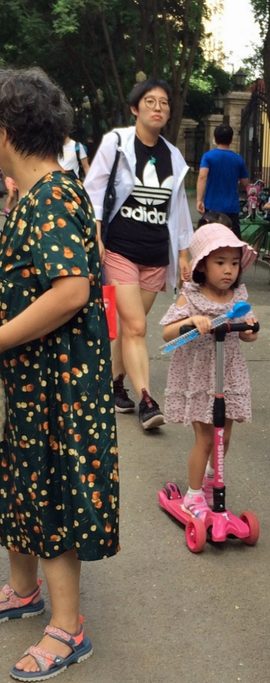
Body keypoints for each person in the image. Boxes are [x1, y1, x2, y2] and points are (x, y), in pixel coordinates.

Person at [0, 67, 119, 681]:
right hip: (37, 382)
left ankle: (68, 630)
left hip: (57, 388)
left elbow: (72, 290)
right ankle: (23, 591)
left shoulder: (47, 199)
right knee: (24, 481)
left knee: (51, 496)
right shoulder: (45, 193)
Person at [84, 78, 194, 431]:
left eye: (163, 103)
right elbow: (94, 190)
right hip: (119, 248)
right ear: (135, 109)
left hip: (154, 254)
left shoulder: (173, 156)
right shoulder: (117, 143)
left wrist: (184, 253)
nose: (158, 107)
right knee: (134, 326)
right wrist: (97, 235)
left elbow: (177, 210)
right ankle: (147, 399)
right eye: (150, 101)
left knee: (131, 327)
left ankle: (114, 384)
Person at [160, 224, 258, 519]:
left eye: (234, 262)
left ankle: (210, 479)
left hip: (228, 373)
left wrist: (251, 330)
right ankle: (192, 496)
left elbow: (249, 332)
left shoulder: (238, 295)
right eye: (220, 262)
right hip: (198, 374)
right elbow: (167, 333)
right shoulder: (190, 296)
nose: (228, 270)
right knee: (205, 438)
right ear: (202, 265)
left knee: (224, 437)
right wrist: (192, 321)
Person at [196, 125, 249, 239]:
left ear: (214, 138)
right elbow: (245, 183)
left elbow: (202, 176)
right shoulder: (238, 159)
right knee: (232, 241)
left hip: (211, 206)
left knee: (209, 240)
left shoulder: (208, 157)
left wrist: (199, 200)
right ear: (231, 139)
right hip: (231, 208)